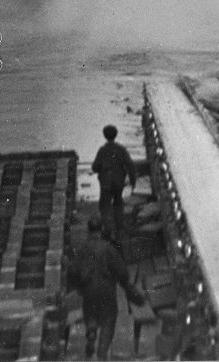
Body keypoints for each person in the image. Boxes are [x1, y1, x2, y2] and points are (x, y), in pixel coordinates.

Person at [67, 215, 140, 360]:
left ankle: (91, 329)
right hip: (107, 290)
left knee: (90, 314)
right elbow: (122, 271)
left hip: (89, 290)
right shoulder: (109, 249)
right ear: (101, 230)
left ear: (88, 230)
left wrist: (78, 287)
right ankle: (102, 353)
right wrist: (125, 285)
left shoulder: (83, 250)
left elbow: (73, 271)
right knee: (108, 320)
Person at [91, 125, 136, 248]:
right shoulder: (121, 150)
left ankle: (108, 230)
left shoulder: (102, 150)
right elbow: (130, 165)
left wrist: (102, 168)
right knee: (118, 203)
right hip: (118, 182)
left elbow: (95, 167)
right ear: (115, 135)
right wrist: (133, 181)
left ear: (105, 136)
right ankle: (119, 229)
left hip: (106, 183)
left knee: (104, 206)